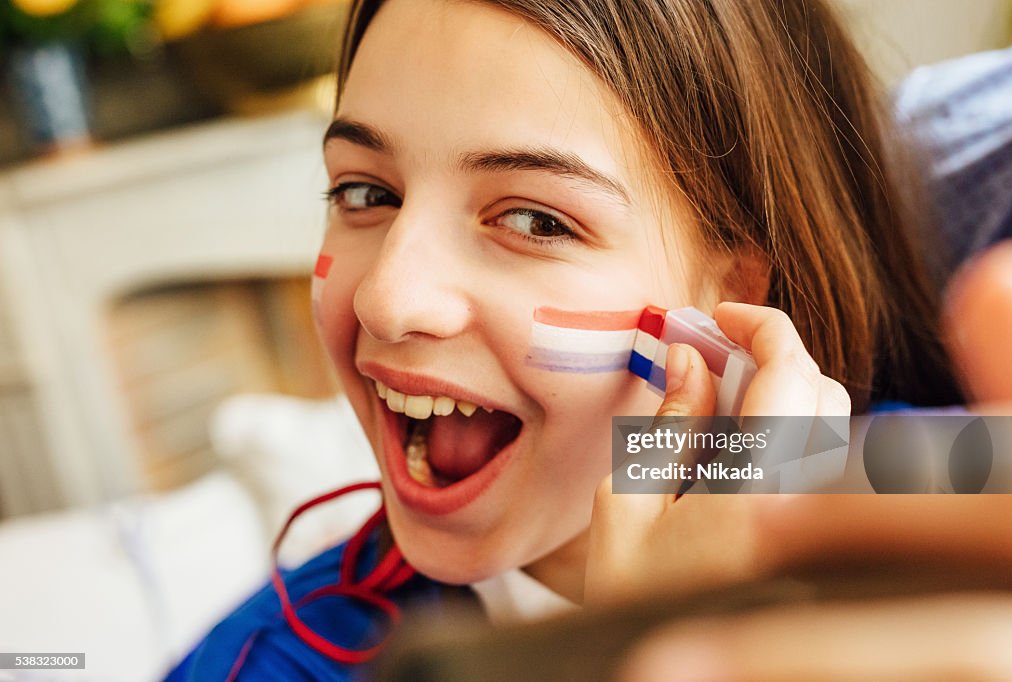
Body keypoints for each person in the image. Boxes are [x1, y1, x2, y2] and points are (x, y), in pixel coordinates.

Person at [166, 0, 969, 678]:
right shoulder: (256, 663)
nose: (387, 298)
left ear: (730, 298)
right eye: (365, 191)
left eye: (534, 220)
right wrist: (634, 641)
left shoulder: (954, 493)